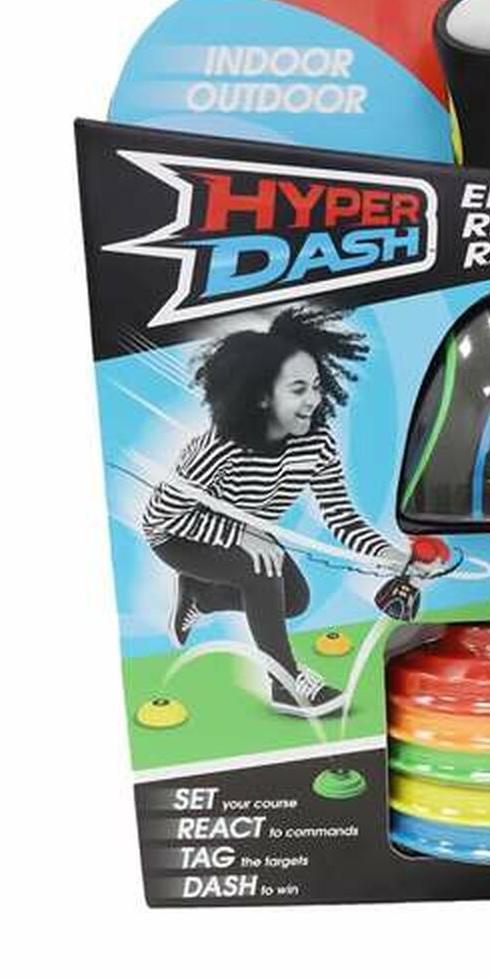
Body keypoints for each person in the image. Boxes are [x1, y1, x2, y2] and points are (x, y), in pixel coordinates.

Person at [142, 305, 411, 718]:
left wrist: (388, 555)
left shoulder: (316, 443)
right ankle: (285, 683)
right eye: (298, 389)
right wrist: (239, 536)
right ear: (262, 396)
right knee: (262, 570)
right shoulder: (220, 446)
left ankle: (202, 596)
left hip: (245, 534)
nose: (314, 400)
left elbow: (339, 513)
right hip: (180, 538)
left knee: (294, 600)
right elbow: (160, 518)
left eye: (316, 386)